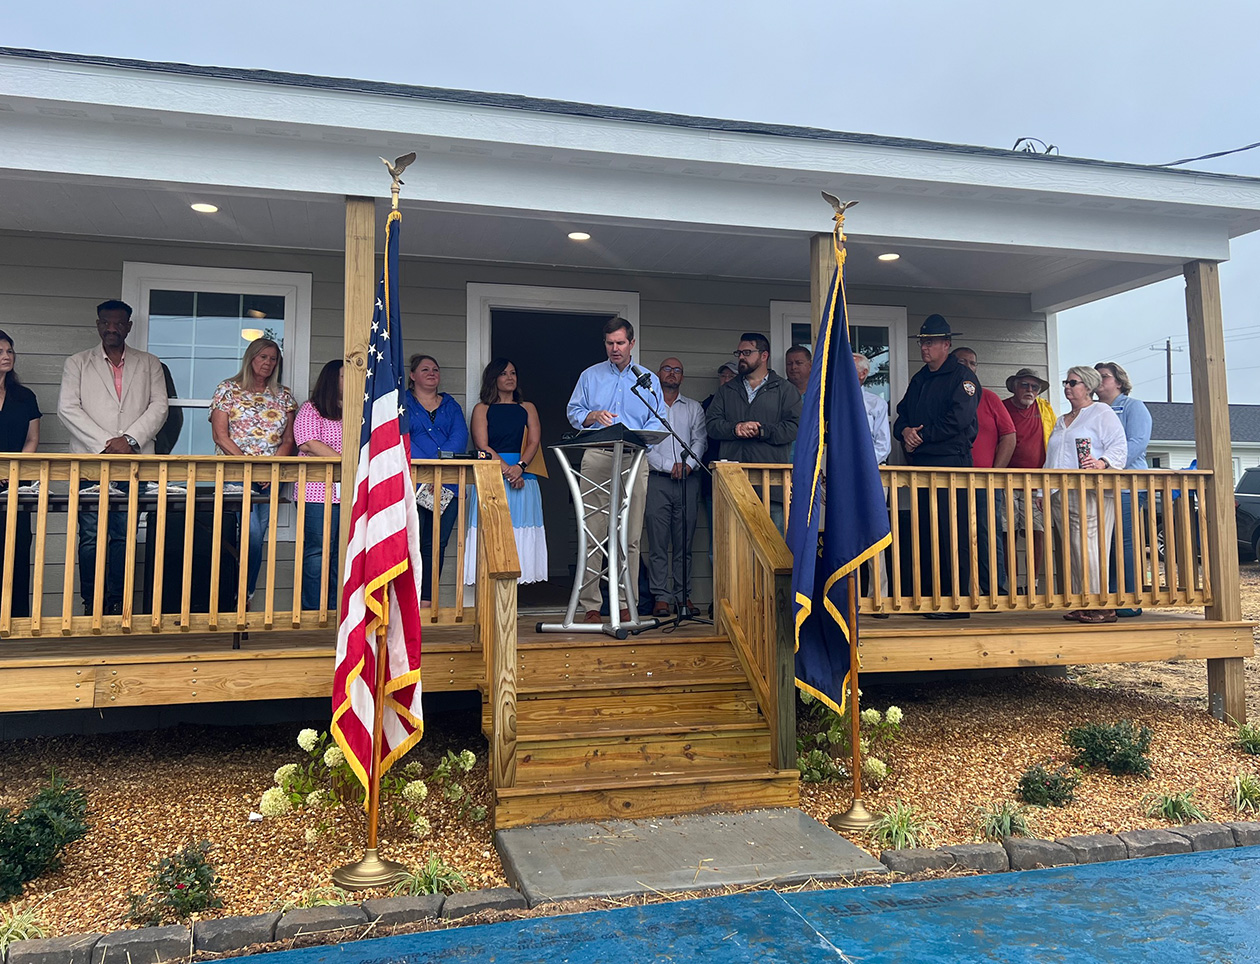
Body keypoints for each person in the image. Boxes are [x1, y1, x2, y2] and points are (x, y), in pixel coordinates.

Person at [58, 299, 169, 615]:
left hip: (133, 463)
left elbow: (159, 407)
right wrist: (105, 444)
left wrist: (130, 440)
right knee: (91, 535)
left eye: (118, 323)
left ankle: (117, 603)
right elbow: (67, 408)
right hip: (90, 463)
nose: (111, 328)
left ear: (128, 327)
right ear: (97, 324)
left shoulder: (149, 363)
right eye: (106, 322)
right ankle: (92, 603)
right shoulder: (77, 362)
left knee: (123, 535)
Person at [566, 318, 664, 622]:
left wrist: (636, 433)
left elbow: (658, 419)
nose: (614, 349)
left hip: (634, 458)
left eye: (620, 343)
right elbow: (573, 412)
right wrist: (593, 414)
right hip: (598, 455)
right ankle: (591, 605)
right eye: (609, 343)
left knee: (631, 535)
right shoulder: (590, 375)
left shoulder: (648, 379)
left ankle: (625, 602)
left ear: (632, 344)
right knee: (593, 531)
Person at [892, 314, 980, 617]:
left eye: (930, 342)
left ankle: (956, 601)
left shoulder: (963, 378)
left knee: (951, 533)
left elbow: (959, 419)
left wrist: (922, 436)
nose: (924, 348)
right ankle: (931, 597)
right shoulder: (920, 379)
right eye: (922, 342)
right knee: (926, 532)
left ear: (946, 344)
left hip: (951, 464)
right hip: (922, 466)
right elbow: (902, 414)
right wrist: (905, 432)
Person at [209, 337, 296, 607]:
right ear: (251, 358)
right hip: (236, 473)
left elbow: (289, 441)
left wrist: (270, 471)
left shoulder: (283, 395)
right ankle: (236, 593)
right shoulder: (228, 389)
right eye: (263, 357)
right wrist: (252, 467)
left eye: (273, 359)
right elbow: (220, 436)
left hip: (270, 477)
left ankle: (243, 594)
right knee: (251, 532)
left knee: (259, 535)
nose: (268, 363)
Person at [1045, 365, 1128, 624]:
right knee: (1072, 549)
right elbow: (1053, 457)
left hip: (1090, 492)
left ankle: (1101, 605)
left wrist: (1102, 462)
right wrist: (1043, 489)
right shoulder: (1061, 420)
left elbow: (1119, 445)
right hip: (1061, 491)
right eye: (1066, 383)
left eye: (1073, 382)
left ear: (1088, 386)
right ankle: (1082, 602)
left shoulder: (1100, 412)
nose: (1068, 387)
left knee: (1091, 546)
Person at [705, 332, 801, 532]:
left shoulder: (785, 389)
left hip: (772, 486)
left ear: (764, 355)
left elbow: (794, 428)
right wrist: (735, 428)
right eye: (739, 352)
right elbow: (712, 425)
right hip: (734, 484)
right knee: (734, 550)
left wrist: (762, 430)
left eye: (747, 352)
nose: (741, 357)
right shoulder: (727, 390)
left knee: (774, 551)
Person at [466, 358, 547, 585]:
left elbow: (534, 441)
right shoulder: (482, 408)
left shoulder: (527, 407)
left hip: (525, 474)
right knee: (494, 533)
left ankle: (516, 596)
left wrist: (519, 468)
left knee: (520, 532)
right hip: (494, 476)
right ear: (493, 379)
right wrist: (509, 472)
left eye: (513, 372)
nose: (510, 378)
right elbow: (482, 444)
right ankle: (491, 597)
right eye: (504, 374)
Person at [644, 357, 707, 618]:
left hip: (688, 480)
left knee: (685, 542)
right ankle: (661, 597)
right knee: (658, 542)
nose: (672, 374)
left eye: (677, 370)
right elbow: (644, 444)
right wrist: (671, 465)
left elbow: (699, 440)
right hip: (657, 479)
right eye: (667, 369)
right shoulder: (647, 406)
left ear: (682, 377)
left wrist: (688, 465)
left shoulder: (693, 408)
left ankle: (683, 596)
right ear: (659, 373)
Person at [405, 354, 469, 607]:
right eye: (425, 369)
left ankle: (427, 600)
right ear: (412, 376)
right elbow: (402, 437)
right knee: (414, 542)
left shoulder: (450, 405)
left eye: (435, 369)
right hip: (415, 482)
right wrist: (431, 467)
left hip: (448, 485)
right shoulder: (404, 404)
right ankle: (409, 598)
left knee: (437, 544)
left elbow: (460, 435)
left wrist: (440, 465)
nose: (432, 373)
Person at [951, 346, 1015, 595]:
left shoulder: (989, 397)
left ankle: (993, 589)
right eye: (962, 362)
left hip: (984, 479)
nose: (968, 366)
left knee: (988, 534)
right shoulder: (946, 396)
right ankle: (956, 591)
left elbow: (1009, 436)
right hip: (951, 478)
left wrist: (995, 473)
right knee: (954, 535)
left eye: (972, 363)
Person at [1095, 361, 1152, 618]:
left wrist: (1107, 464)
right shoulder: (1094, 410)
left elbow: (1136, 443)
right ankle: (1107, 595)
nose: (1099, 381)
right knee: (1104, 542)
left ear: (1118, 382)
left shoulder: (1132, 407)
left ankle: (1129, 598)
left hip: (1127, 486)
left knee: (1124, 542)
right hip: (1100, 487)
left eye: (1104, 377)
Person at [293, 359, 343, 612]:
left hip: (350, 494)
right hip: (316, 493)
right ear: (333, 379)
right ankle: (313, 612)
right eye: (345, 376)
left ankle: (335, 612)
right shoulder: (312, 408)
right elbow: (307, 443)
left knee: (342, 555)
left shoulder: (359, 411)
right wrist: (347, 464)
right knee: (317, 553)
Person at [1002, 368, 1056, 590]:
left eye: (1035, 387)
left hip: (1036, 481)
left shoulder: (1044, 409)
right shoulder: (1003, 407)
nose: (1030, 390)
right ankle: (1012, 584)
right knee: (1008, 533)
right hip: (1005, 479)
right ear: (1015, 386)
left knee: (1037, 531)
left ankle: (1031, 585)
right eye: (1025, 385)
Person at [0, 330, 40, 619]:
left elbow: (31, 440)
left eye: (10, 351)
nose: (6, 356)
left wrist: (12, 469)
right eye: (0, 351)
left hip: (15, 484)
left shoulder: (24, 396)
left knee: (15, 552)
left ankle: (15, 620)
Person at [854, 352, 891, 611]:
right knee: (841, 535)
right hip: (834, 478)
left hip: (871, 476)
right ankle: (844, 596)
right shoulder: (830, 402)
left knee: (874, 535)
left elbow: (883, 445)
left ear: (863, 374)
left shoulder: (875, 403)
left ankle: (877, 598)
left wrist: (857, 465)